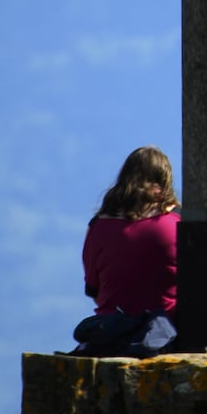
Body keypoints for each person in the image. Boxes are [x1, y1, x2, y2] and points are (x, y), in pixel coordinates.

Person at [75, 145, 181, 356]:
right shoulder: (176, 224)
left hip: (109, 333)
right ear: (163, 185)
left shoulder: (97, 227)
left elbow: (95, 292)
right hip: (163, 336)